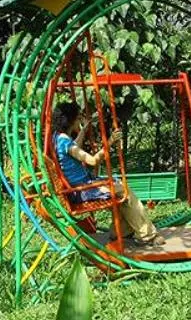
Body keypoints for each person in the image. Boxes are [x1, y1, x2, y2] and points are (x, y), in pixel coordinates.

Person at [50, 101, 160, 246]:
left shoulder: (57, 138)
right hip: (82, 190)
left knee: (119, 186)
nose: (79, 121)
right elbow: (93, 161)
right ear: (71, 121)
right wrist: (110, 141)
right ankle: (147, 236)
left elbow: (74, 148)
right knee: (125, 192)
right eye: (77, 118)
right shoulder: (65, 142)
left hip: (79, 186)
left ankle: (120, 231)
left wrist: (83, 131)